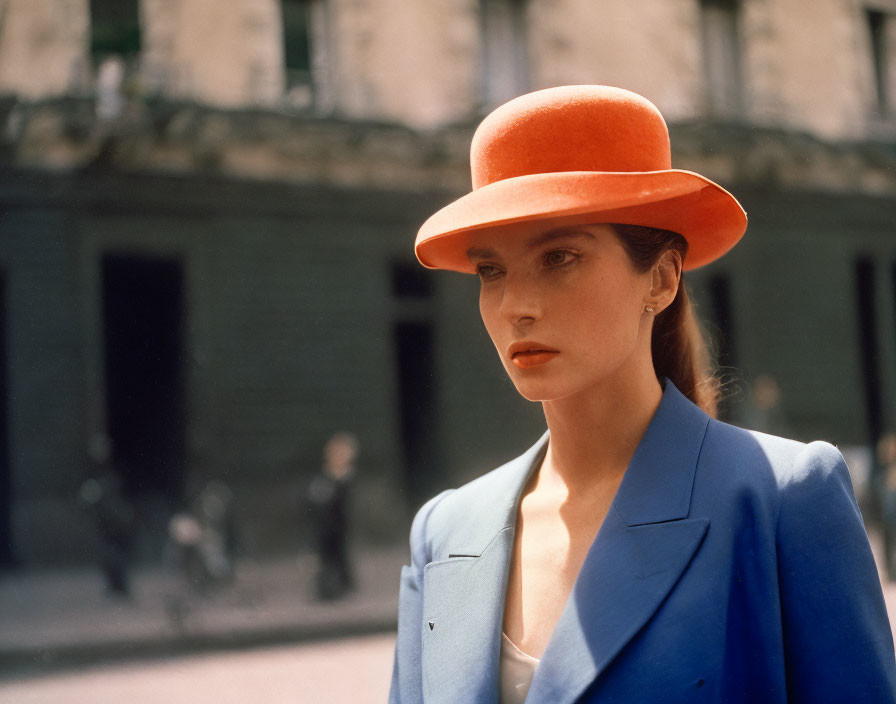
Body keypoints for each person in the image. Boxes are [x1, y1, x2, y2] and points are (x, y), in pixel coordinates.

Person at [389, 86, 896, 703]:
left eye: (560, 257)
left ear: (660, 277)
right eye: (491, 269)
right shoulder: (444, 531)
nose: (516, 306)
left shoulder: (781, 498)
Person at [307, 432, 358, 600]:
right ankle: (328, 588)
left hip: (339, 523)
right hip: (325, 524)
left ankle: (342, 585)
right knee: (327, 556)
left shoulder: (344, 476)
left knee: (339, 554)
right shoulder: (326, 476)